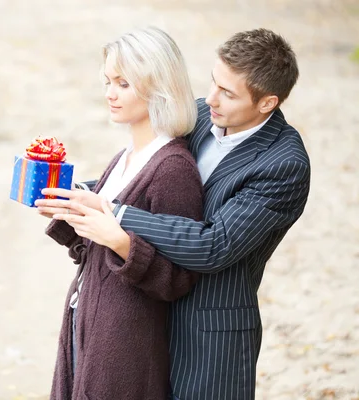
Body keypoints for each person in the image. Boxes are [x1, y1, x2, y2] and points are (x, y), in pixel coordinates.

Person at [38, 28, 311, 400]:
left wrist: (115, 213)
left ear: (267, 103)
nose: (210, 98)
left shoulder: (284, 164)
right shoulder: (201, 114)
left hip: (208, 332)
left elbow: (215, 244)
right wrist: (76, 195)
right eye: (214, 83)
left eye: (228, 93)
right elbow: (148, 174)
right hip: (147, 307)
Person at [38, 26, 204, 400]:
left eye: (124, 84)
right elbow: (92, 250)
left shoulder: (173, 169)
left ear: (158, 86)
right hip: (87, 321)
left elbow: (179, 279)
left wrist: (120, 240)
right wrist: (67, 214)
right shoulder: (124, 158)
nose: (110, 93)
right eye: (108, 81)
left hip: (126, 345)